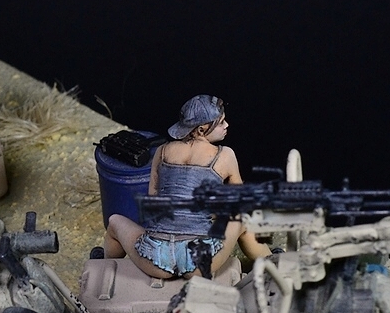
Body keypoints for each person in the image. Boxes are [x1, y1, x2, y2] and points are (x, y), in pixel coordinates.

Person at [104, 95, 269, 281]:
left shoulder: (162, 151)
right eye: (221, 122)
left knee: (114, 222)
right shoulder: (225, 155)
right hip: (199, 261)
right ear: (201, 130)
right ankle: (273, 261)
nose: (227, 125)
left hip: (156, 258)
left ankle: (102, 266)